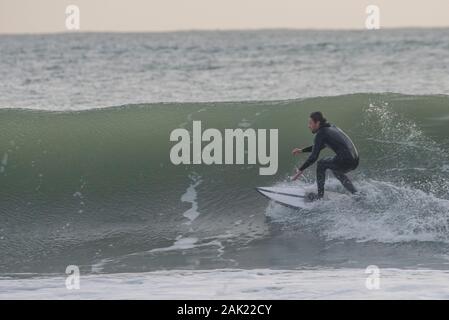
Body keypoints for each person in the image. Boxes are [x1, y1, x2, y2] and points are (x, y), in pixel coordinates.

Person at [291, 111, 359, 200]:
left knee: (321, 164)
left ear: (317, 123)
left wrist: (300, 170)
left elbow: (314, 157)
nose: (309, 126)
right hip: (355, 159)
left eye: (310, 123)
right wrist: (302, 150)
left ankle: (319, 197)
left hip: (346, 160)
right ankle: (355, 193)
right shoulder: (331, 127)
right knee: (336, 170)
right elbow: (319, 146)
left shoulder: (321, 134)